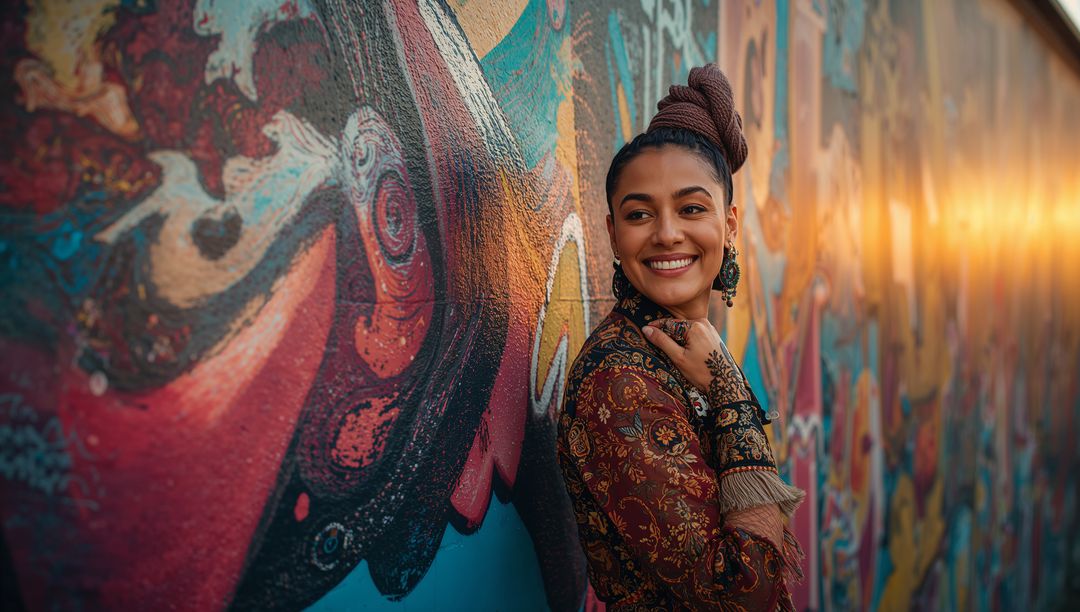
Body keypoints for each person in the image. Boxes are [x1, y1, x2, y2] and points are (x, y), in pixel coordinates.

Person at [557, 64, 805, 610]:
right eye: (640, 213)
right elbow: (744, 592)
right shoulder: (619, 383)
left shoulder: (682, 348)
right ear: (614, 234)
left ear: (730, 225)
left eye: (691, 208)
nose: (667, 233)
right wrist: (731, 395)